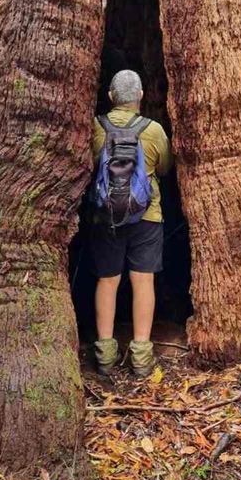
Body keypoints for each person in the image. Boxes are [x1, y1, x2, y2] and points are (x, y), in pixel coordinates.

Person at [90, 70, 173, 377]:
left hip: (105, 217)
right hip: (147, 216)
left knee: (107, 281)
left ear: (111, 96)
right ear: (140, 96)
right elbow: (165, 168)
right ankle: (141, 356)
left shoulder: (95, 128)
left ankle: (105, 354)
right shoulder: (154, 131)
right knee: (143, 282)